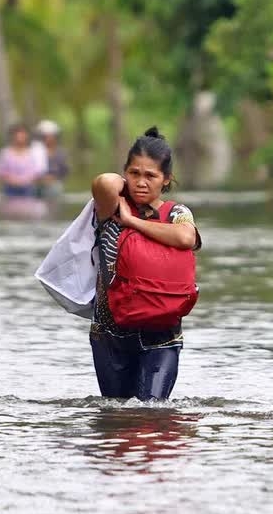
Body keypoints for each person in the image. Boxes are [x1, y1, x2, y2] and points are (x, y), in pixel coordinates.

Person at [89, 127, 201, 401]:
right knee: (117, 416)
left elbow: (187, 238)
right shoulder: (111, 207)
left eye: (150, 176)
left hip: (162, 335)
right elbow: (104, 181)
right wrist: (123, 194)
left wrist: (132, 222)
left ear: (166, 180)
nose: (141, 182)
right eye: (134, 173)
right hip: (110, 333)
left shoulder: (176, 213)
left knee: (151, 413)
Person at [0, 123, 47, 198]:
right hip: (10, 188)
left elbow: (39, 172)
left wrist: (25, 181)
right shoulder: (5, 153)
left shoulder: (34, 152)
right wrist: (12, 180)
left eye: (23, 134)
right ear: (12, 136)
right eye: (17, 134)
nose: (20, 137)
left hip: (29, 188)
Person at [36, 120, 70, 199]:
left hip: (55, 184)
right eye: (46, 136)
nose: (49, 138)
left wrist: (53, 178)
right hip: (37, 183)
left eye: (51, 136)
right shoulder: (36, 151)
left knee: (56, 189)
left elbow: (64, 171)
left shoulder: (61, 153)